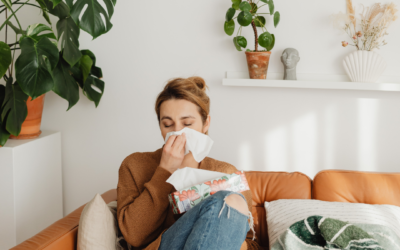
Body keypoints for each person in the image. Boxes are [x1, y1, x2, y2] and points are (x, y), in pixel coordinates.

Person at [117, 77, 263, 250]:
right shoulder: (135, 165)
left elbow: (250, 243)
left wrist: (219, 229)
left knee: (230, 200)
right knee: (226, 200)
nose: (178, 132)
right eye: (168, 124)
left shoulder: (226, 173)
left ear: (205, 123)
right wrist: (165, 170)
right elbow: (135, 236)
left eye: (187, 123)